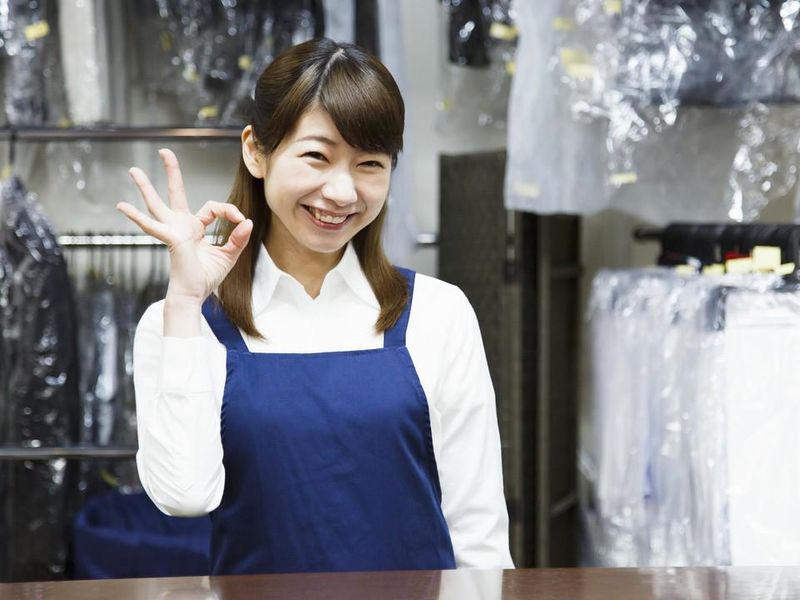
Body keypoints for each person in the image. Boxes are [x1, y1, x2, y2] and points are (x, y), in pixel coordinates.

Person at [117, 37, 513, 575]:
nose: (343, 192)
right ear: (256, 151)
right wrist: (186, 303)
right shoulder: (184, 324)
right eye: (317, 157)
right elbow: (184, 496)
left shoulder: (440, 313)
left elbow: (478, 531)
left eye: (370, 163)